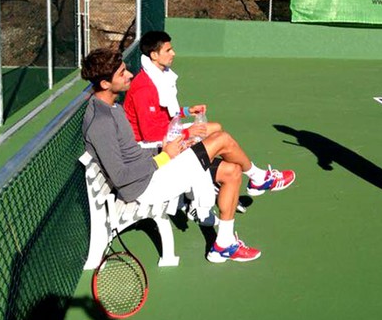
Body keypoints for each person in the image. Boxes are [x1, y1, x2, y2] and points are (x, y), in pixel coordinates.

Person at [81, 47, 261, 263]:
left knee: (232, 171)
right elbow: (120, 176)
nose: (129, 74)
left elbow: (130, 153)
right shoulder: (101, 123)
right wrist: (164, 156)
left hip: (153, 170)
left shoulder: (111, 107)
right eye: (122, 73)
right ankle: (259, 178)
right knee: (221, 138)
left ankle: (223, 244)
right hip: (145, 187)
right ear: (104, 84)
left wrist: (161, 149)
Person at [123, 30, 295, 196]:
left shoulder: (158, 76)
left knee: (215, 127)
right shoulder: (144, 87)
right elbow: (150, 134)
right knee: (223, 139)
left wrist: (187, 111)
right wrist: (188, 132)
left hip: (165, 135)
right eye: (168, 50)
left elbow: (163, 111)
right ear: (154, 55)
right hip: (153, 150)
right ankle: (257, 177)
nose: (173, 53)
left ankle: (232, 177)